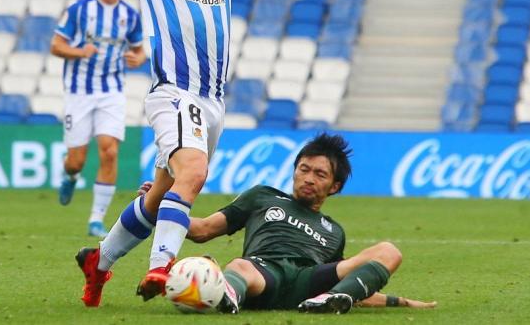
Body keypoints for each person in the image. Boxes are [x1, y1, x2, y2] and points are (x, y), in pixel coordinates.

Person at [0, 0, 363, 308]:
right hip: (175, 94)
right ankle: (162, 266)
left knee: (159, 196)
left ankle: (99, 260)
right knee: (193, 175)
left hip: (213, 102)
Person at [146, 134, 437, 314]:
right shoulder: (263, 196)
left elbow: (351, 281)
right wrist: (163, 204)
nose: (309, 178)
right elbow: (202, 230)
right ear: (295, 170)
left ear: (334, 186)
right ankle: (228, 294)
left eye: (320, 175)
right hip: (263, 274)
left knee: (388, 251)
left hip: (308, 282)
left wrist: (401, 302)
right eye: (304, 169)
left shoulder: (334, 230)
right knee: (240, 265)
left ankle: (329, 303)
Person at [51, 0, 146, 237]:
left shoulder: (129, 15)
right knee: (76, 161)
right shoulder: (80, 10)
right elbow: (56, 46)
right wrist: (80, 52)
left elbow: (139, 50)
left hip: (111, 91)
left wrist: (139, 58)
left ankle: (96, 219)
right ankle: (70, 176)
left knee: (109, 151)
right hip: (78, 92)